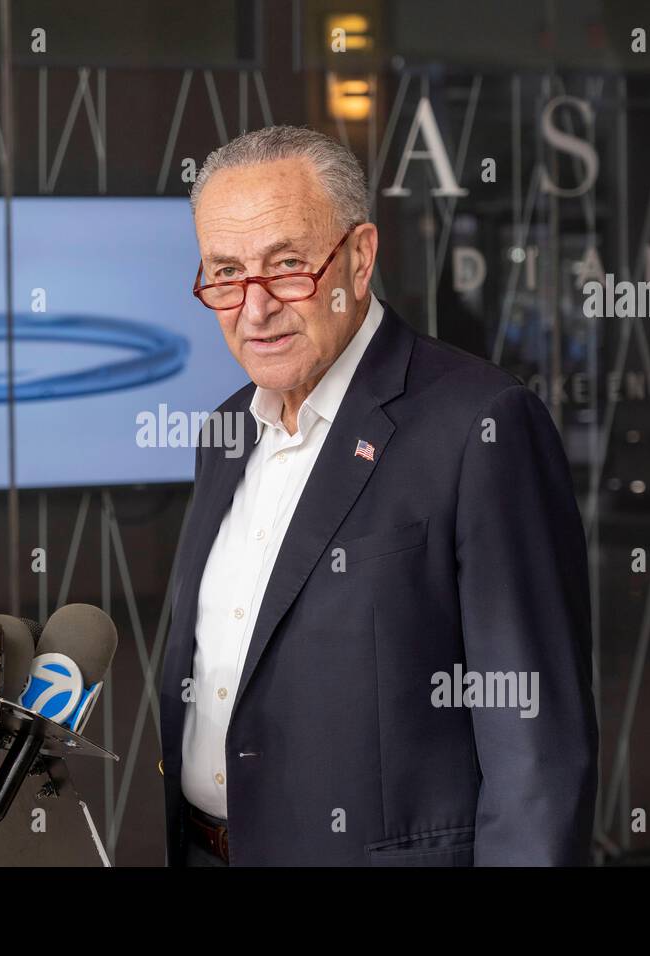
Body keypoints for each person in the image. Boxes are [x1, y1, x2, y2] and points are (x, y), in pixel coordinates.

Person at [158, 125, 597, 866]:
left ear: (359, 258)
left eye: (288, 266)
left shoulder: (480, 427)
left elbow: (535, 755)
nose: (254, 308)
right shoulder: (226, 431)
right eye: (225, 273)